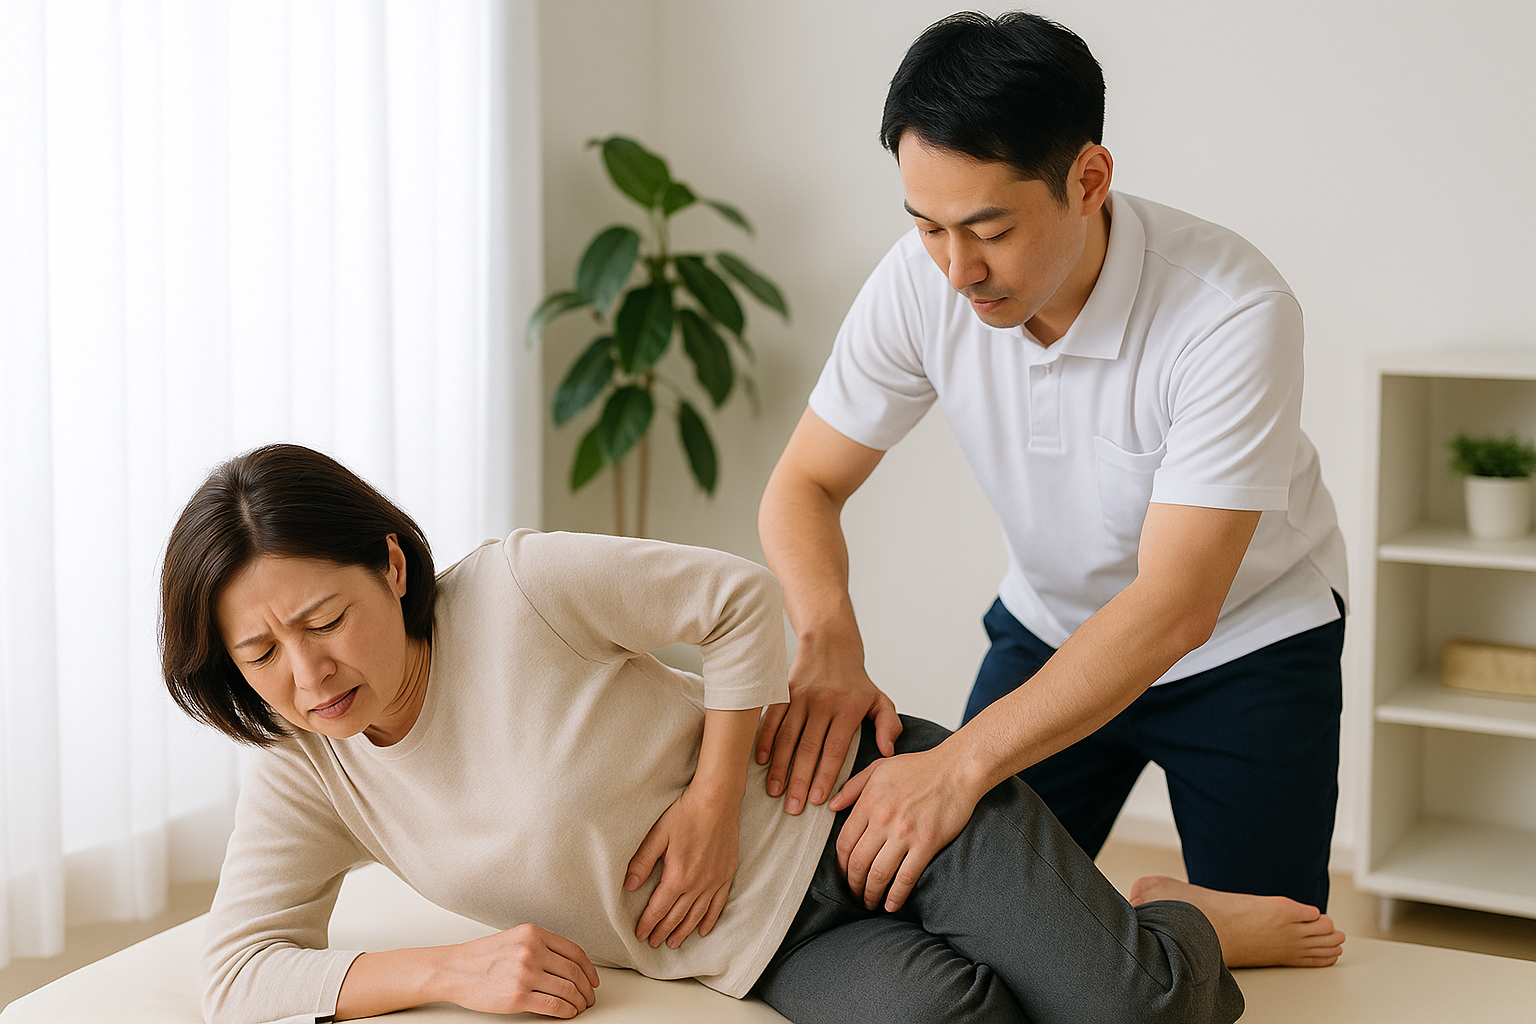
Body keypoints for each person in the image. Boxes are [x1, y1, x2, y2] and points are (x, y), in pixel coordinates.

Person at [160, 443, 1242, 1024]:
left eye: (324, 620)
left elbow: (735, 602)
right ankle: (1107, 916)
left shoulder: (517, 589)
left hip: (864, 796)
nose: (309, 675)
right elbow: (238, 973)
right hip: (769, 948)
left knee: (1127, 1011)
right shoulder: (305, 768)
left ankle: (1175, 927)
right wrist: (453, 968)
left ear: (390, 569)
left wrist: (715, 803)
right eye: (261, 655)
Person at [756, 11, 1349, 970]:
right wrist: (828, 637)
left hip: (1245, 642)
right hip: (1050, 629)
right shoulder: (922, 281)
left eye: (989, 229)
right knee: (940, 908)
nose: (956, 269)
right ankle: (1161, 922)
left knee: (1287, 955)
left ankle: (1202, 921)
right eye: (927, 226)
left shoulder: (1231, 311)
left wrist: (956, 763)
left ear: (1088, 180)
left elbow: (1174, 607)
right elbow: (805, 483)